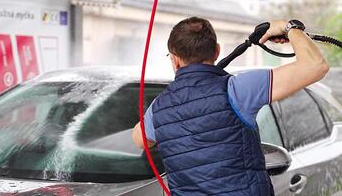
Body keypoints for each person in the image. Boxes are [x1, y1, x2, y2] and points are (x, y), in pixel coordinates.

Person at [132, 17, 329, 196]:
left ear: (174, 60)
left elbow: (140, 139)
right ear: (217, 51)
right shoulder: (239, 89)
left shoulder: (159, 107)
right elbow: (315, 66)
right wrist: (289, 28)